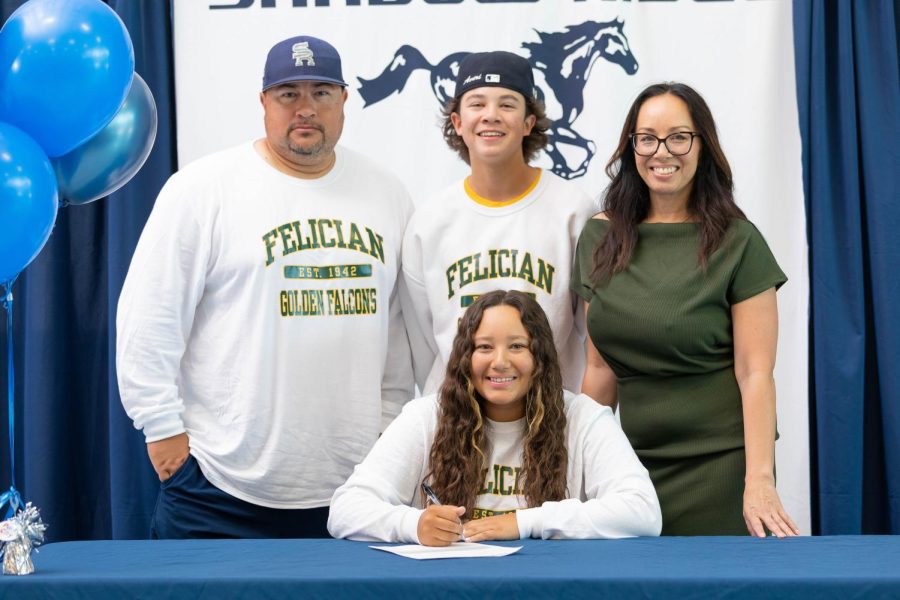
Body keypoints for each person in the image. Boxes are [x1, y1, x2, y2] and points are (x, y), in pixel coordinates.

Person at [116, 35, 414, 539]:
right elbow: (149, 320)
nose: (305, 109)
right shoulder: (202, 189)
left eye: (321, 92)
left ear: (344, 100)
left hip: (355, 491)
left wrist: (389, 435)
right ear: (263, 103)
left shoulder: (387, 193)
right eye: (287, 94)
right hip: (216, 489)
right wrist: (164, 435)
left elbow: (399, 335)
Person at [571, 82, 800, 537]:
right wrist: (577, 473)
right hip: (628, 472)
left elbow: (755, 374)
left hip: (720, 469)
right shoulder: (599, 239)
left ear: (702, 145)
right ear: (631, 146)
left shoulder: (739, 242)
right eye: (648, 137)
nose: (663, 151)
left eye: (679, 136)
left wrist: (759, 481)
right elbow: (599, 369)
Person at [328, 290, 661, 544]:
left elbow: (643, 510)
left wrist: (524, 522)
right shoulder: (426, 417)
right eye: (484, 347)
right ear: (465, 357)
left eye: (517, 346)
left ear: (540, 356)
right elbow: (346, 508)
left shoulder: (583, 419)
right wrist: (412, 525)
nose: (499, 362)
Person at [400, 51, 597, 396]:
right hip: (457, 424)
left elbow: (594, 338)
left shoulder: (573, 211)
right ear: (458, 122)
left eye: (507, 104)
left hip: (550, 421)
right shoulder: (429, 222)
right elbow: (426, 344)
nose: (491, 116)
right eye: (477, 104)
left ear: (528, 123)